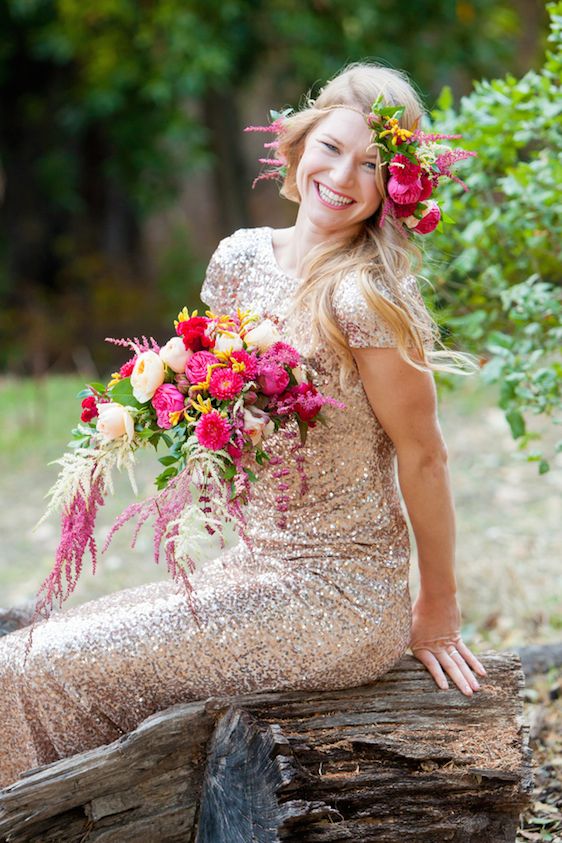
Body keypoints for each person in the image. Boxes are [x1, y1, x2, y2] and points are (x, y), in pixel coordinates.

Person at [0, 63, 486, 790]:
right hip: (253, 568)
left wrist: (438, 608)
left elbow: (425, 457)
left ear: (396, 188)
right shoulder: (237, 259)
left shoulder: (365, 298)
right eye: (331, 147)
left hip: (338, 597)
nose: (343, 176)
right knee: (32, 656)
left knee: (30, 670)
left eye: (372, 165)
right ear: (298, 146)